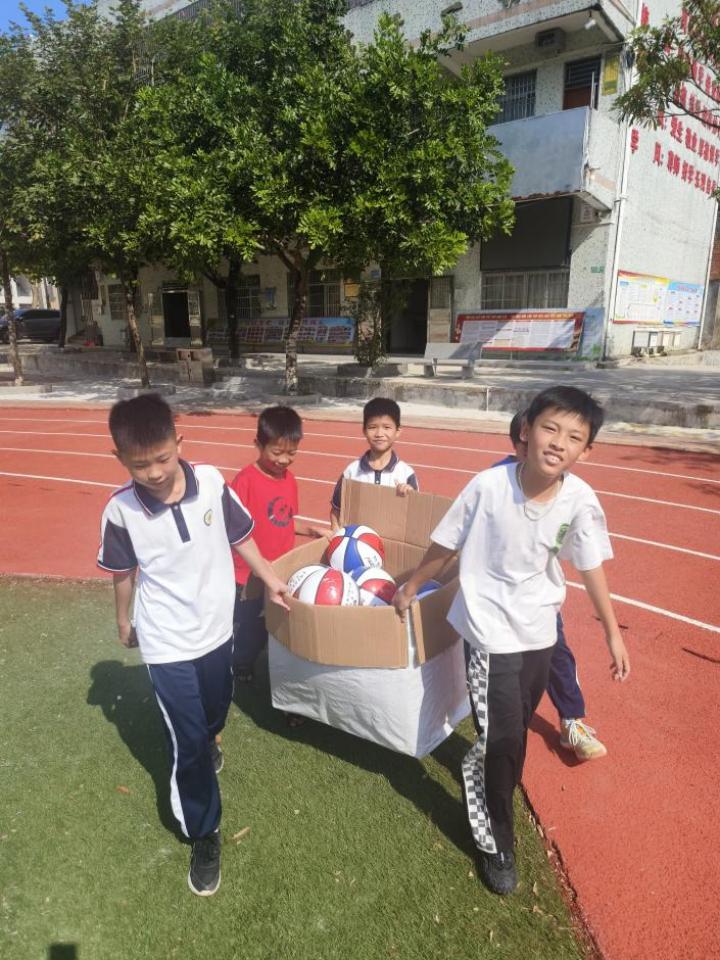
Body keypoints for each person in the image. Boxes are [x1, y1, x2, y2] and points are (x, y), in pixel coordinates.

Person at [393, 386, 630, 896]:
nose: (559, 443)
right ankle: (497, 840)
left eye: (574, 437)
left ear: (587, 451)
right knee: (500, 739)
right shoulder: (488, 487)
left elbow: (590, 566)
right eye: (550, 428)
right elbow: (446, 544)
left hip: (538, 632)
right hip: (487, 631)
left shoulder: (579, 500)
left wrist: (612, 633)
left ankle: (488, 776)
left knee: (513, 731)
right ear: (527, 430)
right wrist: (412, 586)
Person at [97, 393, 288, 898]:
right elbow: (122, 572)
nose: (155, 473)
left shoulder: (211, 483)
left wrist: (270, 579)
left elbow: (241, 536)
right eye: (140, 465)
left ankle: (209, 739)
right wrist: (123, 620)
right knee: (187, 742)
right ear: (120, 459)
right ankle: (205, 832)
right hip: (166, 641)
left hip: (217, 630)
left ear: (179, 442)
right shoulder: (120, 511)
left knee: (214, 711)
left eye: (163, 458)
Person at [496, 412, 607, 762]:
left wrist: (612, 632)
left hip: (539, 598)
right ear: (521, 440)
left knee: (556, 654)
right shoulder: (494, 481)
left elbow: (585, 555)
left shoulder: (565, 488)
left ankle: (571, 721)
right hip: (498, 598)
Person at [230, 405, 327, 684]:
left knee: (275, 619)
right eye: (277, 452)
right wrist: (256, 566)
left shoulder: (290, 480)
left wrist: (311, 530)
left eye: (292, 453)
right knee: (248, 623)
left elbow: (284, 519)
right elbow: (233, 529)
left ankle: (264, 654)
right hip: (248, 573)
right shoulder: (245, 481)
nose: (284, 460)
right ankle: (241, 662)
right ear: (258, 444)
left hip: (281, 569)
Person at [330, 397, 418, 528]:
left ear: (398, 431)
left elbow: (415, 516)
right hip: (358, 539)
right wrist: (337, 533)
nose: (379, 433)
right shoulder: (351, 471)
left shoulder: (406, 474)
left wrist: (411, 496)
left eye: (387, 427)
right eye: (372, 427)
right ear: (364, 430)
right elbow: (336, 509)